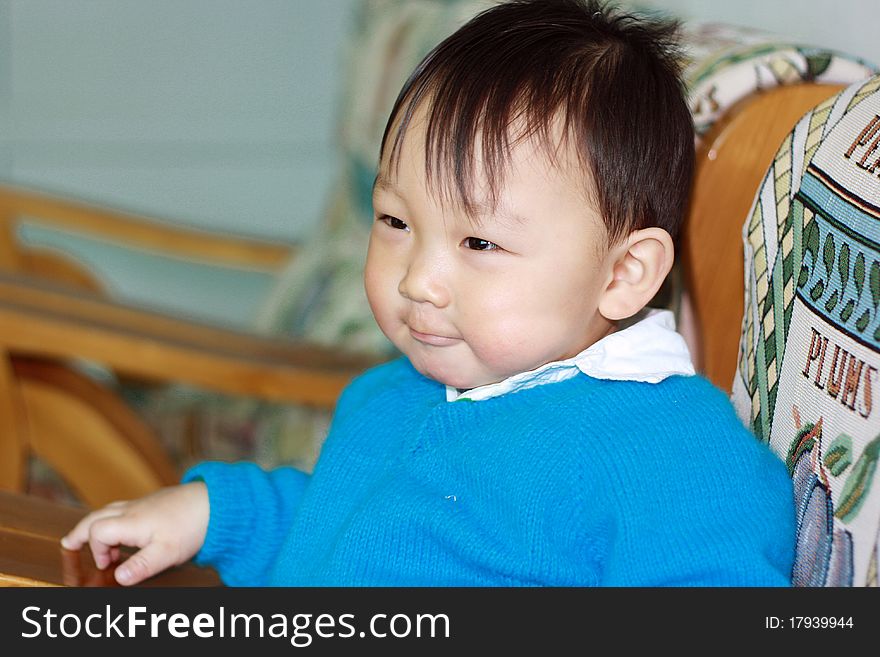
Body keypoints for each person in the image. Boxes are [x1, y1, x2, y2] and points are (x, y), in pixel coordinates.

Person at [62, 0, 795, 586]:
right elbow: (338, 530)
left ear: (623, 273)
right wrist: (215, 514)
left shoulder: (670, 454)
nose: (416, 280)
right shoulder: (393, 393)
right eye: (394, 221)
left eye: (478, 243)